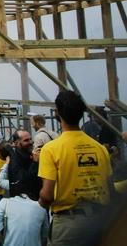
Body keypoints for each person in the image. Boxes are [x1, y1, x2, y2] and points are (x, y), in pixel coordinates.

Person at [38, 90, 114, 245]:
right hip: (100, 221)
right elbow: (110, 188)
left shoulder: (51, 149)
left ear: (57, 114)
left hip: (68, 225)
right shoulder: (99, 148)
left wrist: (40, 205)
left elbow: (47, 195)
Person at [1, 130, 40, 199]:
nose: (31, 142)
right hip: (25, 203)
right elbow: (24, 180)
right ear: (16, 143)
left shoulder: (30, 155)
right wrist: (35, 162)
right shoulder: (15, 160)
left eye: (31, 139)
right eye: (26, 140)